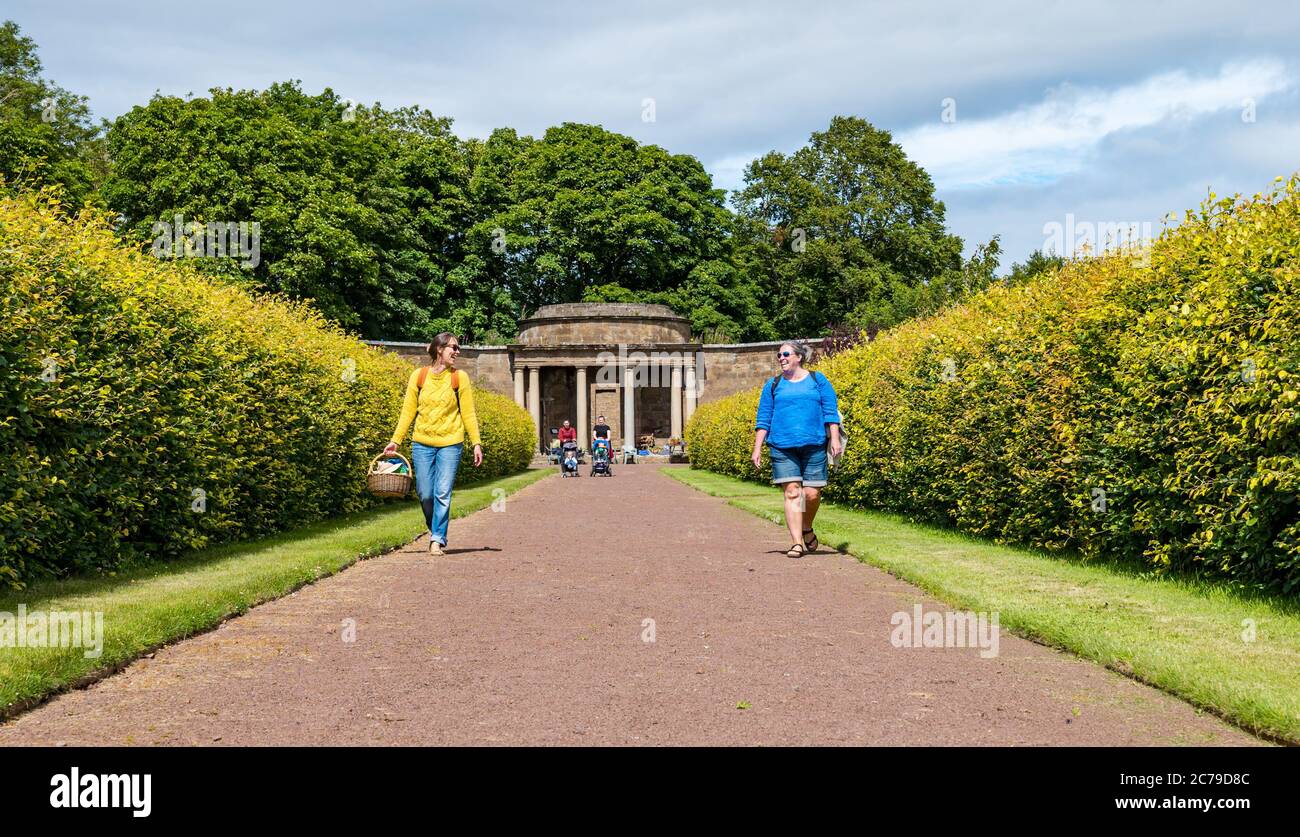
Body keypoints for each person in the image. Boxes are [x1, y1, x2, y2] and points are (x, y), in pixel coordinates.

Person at [384, 332, 484, 556]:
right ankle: (435, 529)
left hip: (451, 442)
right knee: (425, 492)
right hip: (422, 442)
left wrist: (476, 443)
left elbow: (468, 414)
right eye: (453, 348)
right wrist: (395, 441)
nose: (457, 352)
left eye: (458, 348)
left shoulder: (460, 378)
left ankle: (437, 539)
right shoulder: (418, 376)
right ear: (439, 349)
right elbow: (408, 411)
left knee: (442, 492)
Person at [751, 340, 842, 558]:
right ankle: (797, 543)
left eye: (785, 354)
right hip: (782, 447)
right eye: (779, 356)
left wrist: (835, 438)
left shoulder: (817, 380)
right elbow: (764, 418)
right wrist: (757, 447)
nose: (781, 358)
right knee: (793, 492)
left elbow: (830, 411)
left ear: (799, 357)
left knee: (811, 494)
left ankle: (806, 527)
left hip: (814, 444)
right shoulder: (772, 385)